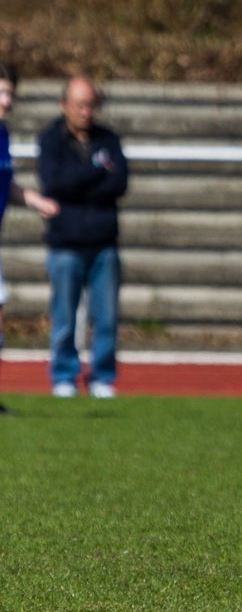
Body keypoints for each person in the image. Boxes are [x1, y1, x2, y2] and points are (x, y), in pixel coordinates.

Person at [37, 76, 128, 399]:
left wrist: (80, 181)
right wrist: (95, 171)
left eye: (90, 105)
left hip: (104, 242)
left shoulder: (108, 139)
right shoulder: (51, 139)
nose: (85, 112)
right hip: (65, 244)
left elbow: (119, 184)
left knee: (106, 317)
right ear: (64, 105)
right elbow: (54, 183)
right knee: (64, 316)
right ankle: (64, 375)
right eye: (79, 105)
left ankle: (102, 377)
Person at [0, 63, 60, 415]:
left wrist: (33, 199)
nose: (7, 101)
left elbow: (7, 184)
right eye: (2, 92)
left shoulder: (3, 135)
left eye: (10, 93)